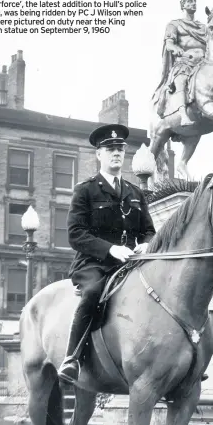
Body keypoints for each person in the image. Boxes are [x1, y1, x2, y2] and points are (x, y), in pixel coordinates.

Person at [58, 124, 157, 385]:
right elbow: (75, 234)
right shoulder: (86, 190)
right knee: (93, 293)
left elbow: (149, 230)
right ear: (98, 155)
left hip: (130, 263)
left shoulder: (135, 193)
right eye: (110, 149)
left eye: (120, 149)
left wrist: (146, 244)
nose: (116, 153)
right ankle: (73, 358)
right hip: (94, 264)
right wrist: (110, 249)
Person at [154, 0, 207, 126]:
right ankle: (183, 115)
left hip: (203, 64)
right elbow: (169, 43)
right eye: (189, 1)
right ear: (182, 5)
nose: (193, 3)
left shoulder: (203, 28)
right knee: (181, 79)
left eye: (194, 1)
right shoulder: (175, 24)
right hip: (185, 62)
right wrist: (176, 49)